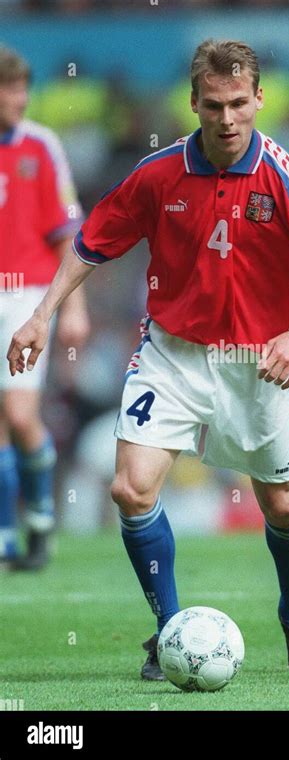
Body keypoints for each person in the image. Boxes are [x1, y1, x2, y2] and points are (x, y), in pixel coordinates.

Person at [8, 39, 289, 675]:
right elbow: (92, 241)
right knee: (129, 489)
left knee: (281, 505)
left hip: (258, 362)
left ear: (258, 99)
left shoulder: (285, 176)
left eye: (238, 104)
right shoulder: (157, 174)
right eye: (213, 105)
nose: (227, 119)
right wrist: (41, 313)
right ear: (192, 102)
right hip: (171, 355)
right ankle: (169, 629)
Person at [0, 46, 90, 570]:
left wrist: (73, 307)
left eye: (23, 88)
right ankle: (10, 534)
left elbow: (66, 236)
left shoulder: (41, 146)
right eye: (10, 89)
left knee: (18, 413)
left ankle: (39, 514)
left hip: (26, 297)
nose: (21, 99)